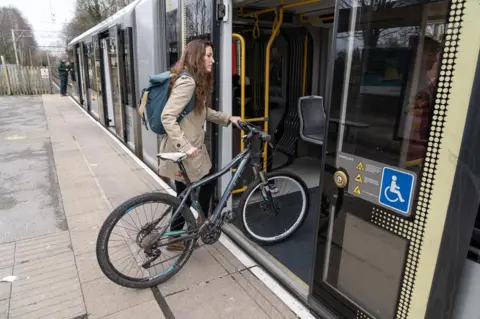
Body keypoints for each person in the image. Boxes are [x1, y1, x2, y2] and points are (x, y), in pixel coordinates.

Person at [158, 39, 241, 251]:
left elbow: (202, 111)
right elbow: (167, 116)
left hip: (188, 151)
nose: (213, 60)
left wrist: (228, 118)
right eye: (209, 56)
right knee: (202, 185)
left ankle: (181, 235)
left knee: (185, 195)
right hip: (185, 152)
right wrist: (185, 147)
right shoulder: (188, 83)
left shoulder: (191, 80)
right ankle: (193, 228)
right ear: (197, 57)